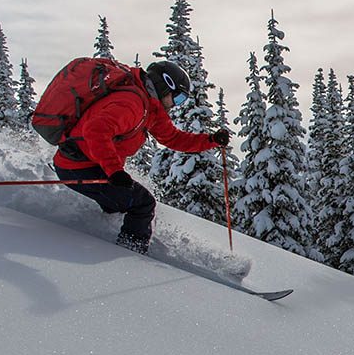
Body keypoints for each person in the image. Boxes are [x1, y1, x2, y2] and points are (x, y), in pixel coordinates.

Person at [52, 59, 230, 254]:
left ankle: (102, 236)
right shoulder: (132, 104)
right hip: (77, 165)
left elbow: (173, 138)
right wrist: (114, 171)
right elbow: (95, 130)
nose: (175, 105)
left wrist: (211, 139)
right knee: (142, 204)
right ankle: (130, 256)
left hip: (88, 164)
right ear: (165, 86)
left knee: (122, 204)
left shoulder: (151, 109)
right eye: (177, 98)